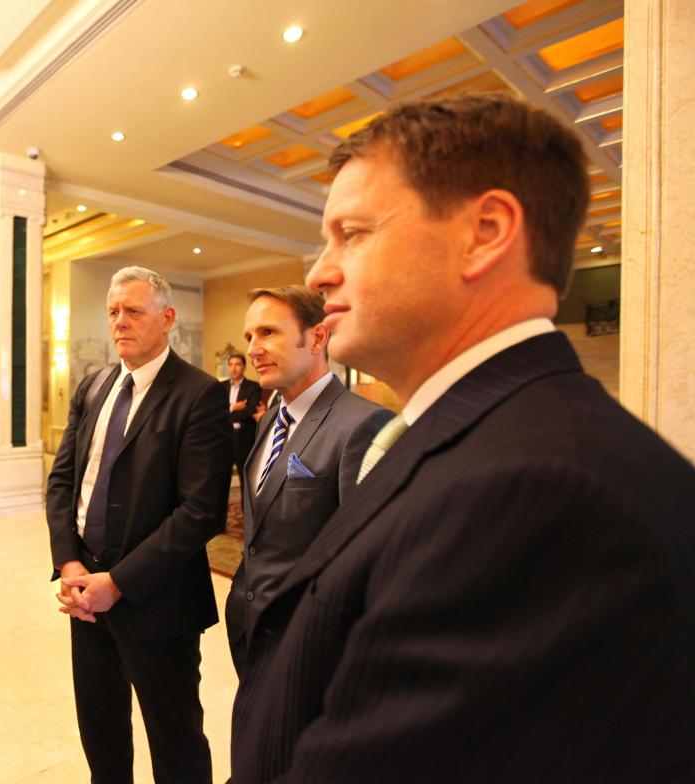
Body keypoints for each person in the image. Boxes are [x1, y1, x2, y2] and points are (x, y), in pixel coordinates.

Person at [230, 92, 695, 782]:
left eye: (352, 234)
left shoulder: (542, 492)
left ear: (485, 232)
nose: (320, 272)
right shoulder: (472, 433)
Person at [46, 265, 231, 783]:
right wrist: (69, 562)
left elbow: (200, 513)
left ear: (167, 318)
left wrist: (119, 583)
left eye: (133, 311)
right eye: (112, 312)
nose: (119, 322)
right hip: (85, 596)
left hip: (159, 602)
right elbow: (63, 482)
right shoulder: (95, 385)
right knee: (101, 732)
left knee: (174, 740)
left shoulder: (199, 394)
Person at [224, 285, 389, 676]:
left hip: (310, 648)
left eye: (268, 332)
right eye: (250, 336)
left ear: (317, 336)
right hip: (249, 631)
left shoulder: (362, 424)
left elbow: (365, 564)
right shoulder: (268, 420)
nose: (252, 349)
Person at [220, 353, 262, 498]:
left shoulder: (254, 387)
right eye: (231, 364)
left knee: (246, 480)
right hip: (224, 438)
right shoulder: (220, 387)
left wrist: (227, 413)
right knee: (220, 481)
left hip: (243, 438)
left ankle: (247, 517)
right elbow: (215, 411)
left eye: (237, 364)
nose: (234, 368)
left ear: (244, 367)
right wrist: (233, 407)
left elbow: (250, 411)